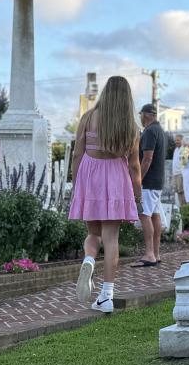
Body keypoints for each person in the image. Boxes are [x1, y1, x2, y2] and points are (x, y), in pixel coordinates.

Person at [69, 76, 141, 313]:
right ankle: (106, 296)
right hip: (116, 179)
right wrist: (136, 194)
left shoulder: (88, 117)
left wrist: (76, 182)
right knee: (111, 239)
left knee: (93, 233)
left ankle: (89, 260)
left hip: (90, 176)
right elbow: (134, 166)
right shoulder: (131, 126)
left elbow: (78, 154)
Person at [133, 103, 167, 267]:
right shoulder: (160, 131)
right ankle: (156, 253)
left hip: (148, 181)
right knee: (154, 215)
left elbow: (147, 158)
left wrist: (138, 179)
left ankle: (149, 254)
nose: (140, 118)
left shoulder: (149, 131)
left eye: (141, 115)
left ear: (146, 115)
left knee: (144, 215)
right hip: (157, 180)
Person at [171, 134, 186, 206]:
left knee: (181, 191)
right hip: (175, 173)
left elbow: (184, 163)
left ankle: (183, 207)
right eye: (175, 140)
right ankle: (180, 207)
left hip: (181, 173)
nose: (176, 141)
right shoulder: (176, 150)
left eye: (178, 140)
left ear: (182, 141)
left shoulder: (184, 149)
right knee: (177, 191)